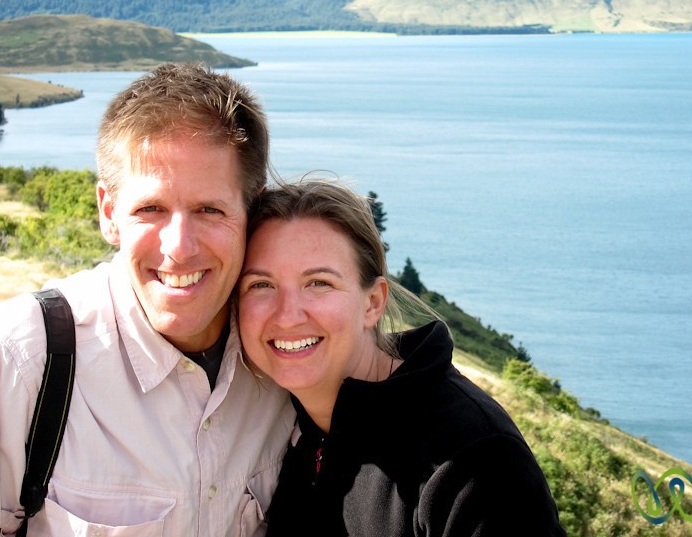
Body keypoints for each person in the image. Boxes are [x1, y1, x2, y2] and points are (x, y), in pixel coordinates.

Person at [0, 63, 295, 536]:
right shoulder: (22, 360)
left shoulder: (284, 355)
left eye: (210, 209)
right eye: (150, 209)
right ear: (108, 213)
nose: (180, 246)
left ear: (254, 209)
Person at [237, 179, 566, 536]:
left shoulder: (475, 460)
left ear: (373, 303)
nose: (287, 315)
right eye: (261, 285)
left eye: (319, 283)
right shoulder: (279, 425)